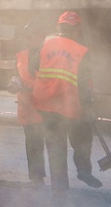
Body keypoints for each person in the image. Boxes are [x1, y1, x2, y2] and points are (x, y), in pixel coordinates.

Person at [30, 11, 102, 192]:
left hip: (47, 106)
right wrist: (89, 108)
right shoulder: (81, 51)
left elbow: (33, 67)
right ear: (76, 29)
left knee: (56, 149)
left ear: (58, 27)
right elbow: (84, 84)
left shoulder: (46, 44)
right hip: (70, 106)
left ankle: (59, 191)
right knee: (83, 137)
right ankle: (83, 169)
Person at [8, 20, 47, 186]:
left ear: (40, 37)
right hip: (28, 106)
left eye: (32, 35)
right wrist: (14, 83)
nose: (29, 39)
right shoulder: (21, 55)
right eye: (27, 36)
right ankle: (37, 178)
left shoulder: (47, 55)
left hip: (44, 106)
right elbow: (15, 75)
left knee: (44, 142)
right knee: (32, 142)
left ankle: (54, 180)